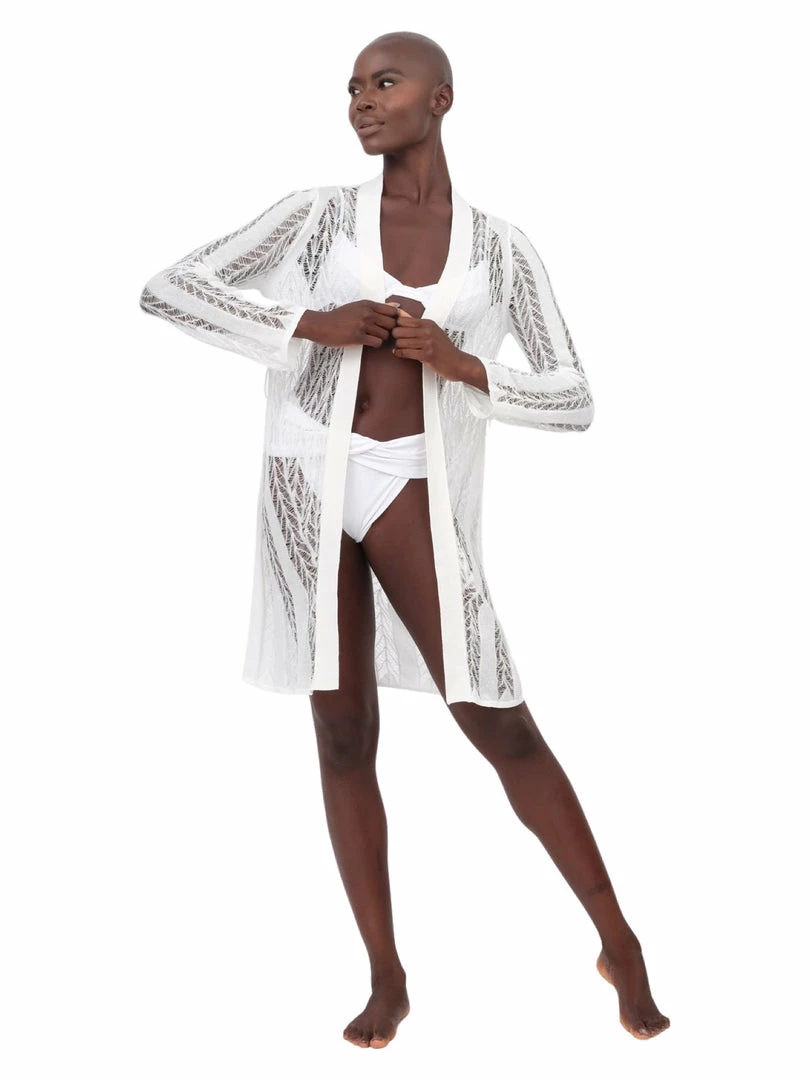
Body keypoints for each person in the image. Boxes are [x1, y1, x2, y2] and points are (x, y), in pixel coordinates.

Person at [140, 29, 670, 1050]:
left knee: (500, 722)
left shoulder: (502, 249)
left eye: (384, 82)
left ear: (441, 99)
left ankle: (621, 942)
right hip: (306, 480)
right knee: (342, 734)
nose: (361, 101)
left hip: (411, 484)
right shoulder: (316, 216)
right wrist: (314, 324)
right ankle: (386, 975)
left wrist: (462, 363)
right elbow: (172, 287)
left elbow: (573, 397)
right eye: (352, 88)